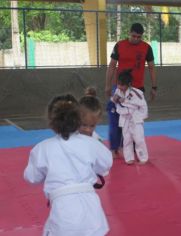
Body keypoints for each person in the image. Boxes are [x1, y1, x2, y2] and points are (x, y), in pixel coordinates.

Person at [23, 94, 113, 236]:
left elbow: (31, 177)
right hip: (92, 212)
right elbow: (106, 164)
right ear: (78, 120)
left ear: (52, 122)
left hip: (64, 213)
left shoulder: (42, 148)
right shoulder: (92, 144)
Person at [105, 22, 157, 159]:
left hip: (137, 90)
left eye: (139, 37)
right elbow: (111, 66)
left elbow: (151, 67)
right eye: (133, 36)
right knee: (116, 119)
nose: (136, 39)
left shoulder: (147, 48)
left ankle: (134, 147)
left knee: (136, 121)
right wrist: (108, 85)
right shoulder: (119, 45)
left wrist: (154, 87)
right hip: (120, 88)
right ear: (129, 33)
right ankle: (115, 148)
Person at [111, 70, 149, 165]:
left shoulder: (137, 93)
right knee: (127, 139)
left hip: (135, 118)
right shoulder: (117, 91)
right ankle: (129, 158)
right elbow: (115, 102)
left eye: (122, 85)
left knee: (139, 138)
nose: (120, 87)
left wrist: (142, 116)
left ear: (128, 84)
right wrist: (116, 100)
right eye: (118, 84)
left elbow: (143, 106)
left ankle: (143, 158)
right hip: (125, 118)